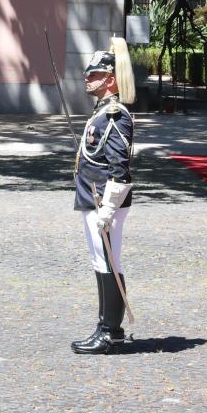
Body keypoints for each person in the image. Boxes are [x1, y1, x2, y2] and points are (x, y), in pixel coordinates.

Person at [71, 37, 136, 355]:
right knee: (101, 261)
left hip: (103, 200)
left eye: (94, 74)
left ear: (110, 79)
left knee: (109, 262)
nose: (87, 78)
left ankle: (111, 332)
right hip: (92, 197)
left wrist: (109, 207)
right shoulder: (101, 112)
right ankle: (104, 327)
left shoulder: (114, 114)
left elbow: (119, 166)